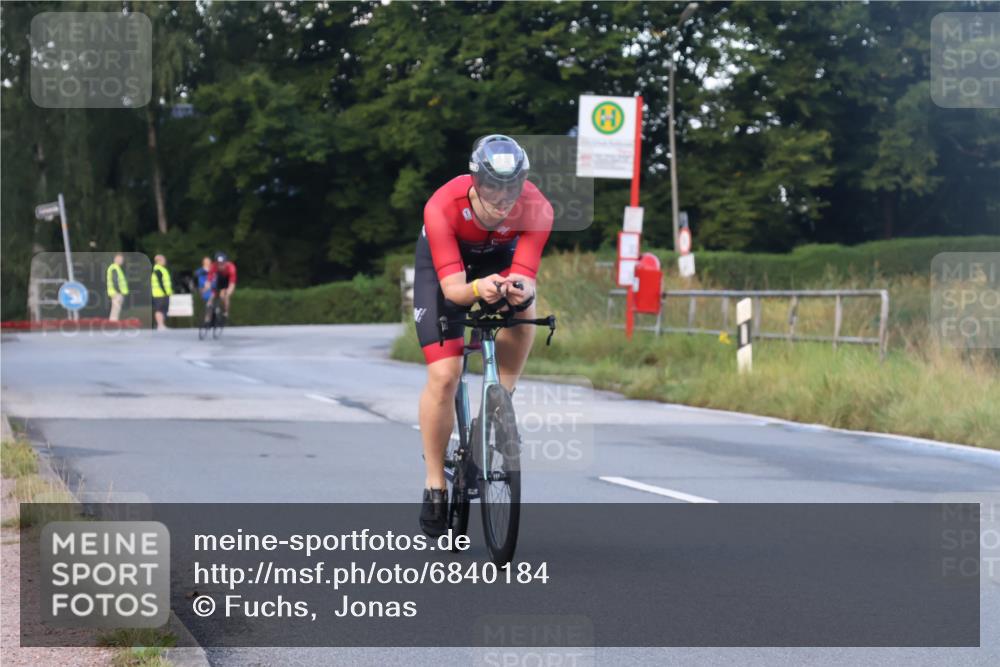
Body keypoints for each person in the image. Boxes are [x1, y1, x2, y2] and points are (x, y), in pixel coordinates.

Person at [413, 135, 553, 537]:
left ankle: (500, 402)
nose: (503, 196)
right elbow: (455, 290)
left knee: (525, 305)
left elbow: (525, 276)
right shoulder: (443, 205)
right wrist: (477, 289)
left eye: (512, 186)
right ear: (476, 180)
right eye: (492, 185)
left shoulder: (537, 207)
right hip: (446, 270)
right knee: (445, 375)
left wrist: (518, 288)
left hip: (499, 261)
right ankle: (435, 483)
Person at [205, 251, 237, 321]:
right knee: (211, 297)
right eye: (218, 264)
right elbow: (209, 278)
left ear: (225, 263)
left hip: (228, 280)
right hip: (219, 279)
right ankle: (207, 318)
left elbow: (232, 284)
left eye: (222, 264)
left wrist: (228, 292)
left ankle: (226, 312)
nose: (220, 266)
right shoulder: (214, 266)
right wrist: (207, 286)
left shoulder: (231, 268)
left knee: (224, 296)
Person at [151, 254, 173, 330]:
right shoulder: (157, 269)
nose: (165, 261)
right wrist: (165, 291)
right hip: (159, 294)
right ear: (159, 261)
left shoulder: (162, 269)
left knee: (163, 309)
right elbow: (160, 282)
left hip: (164, 293)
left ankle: (162, 325)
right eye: (163, 260)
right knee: (159, 309)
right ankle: (160, 325)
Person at [106, 253, 129, 321]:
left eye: (122, 259)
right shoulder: (114, 267)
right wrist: (119, 291)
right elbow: (115, 280)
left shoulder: (117, 268)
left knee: (116, 309)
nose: (121, 260)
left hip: (116, 292)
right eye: (119, 259)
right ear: (115, 259)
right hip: (116, 292)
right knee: (115, 309)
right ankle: (113, 324)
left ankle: (113, 323)